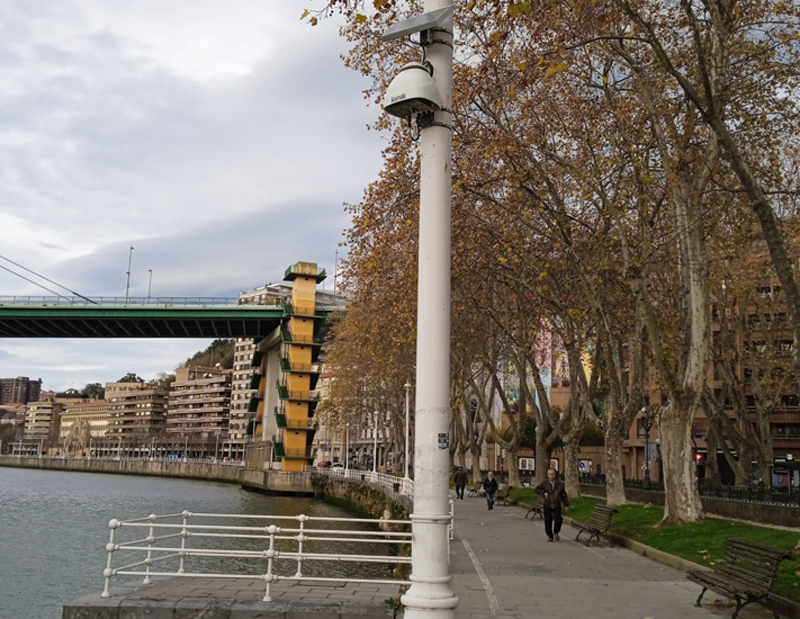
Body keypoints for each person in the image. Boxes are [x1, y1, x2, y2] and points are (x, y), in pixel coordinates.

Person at [534, 468, 569, 542]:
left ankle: (556, 531)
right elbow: (536, 489)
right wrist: (544, 493)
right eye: (550, 474)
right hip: (548, 504)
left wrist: (566, 504)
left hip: (556, 504)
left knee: (558, 519)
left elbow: (564, 495)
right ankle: (550, 536)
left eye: (552, 474)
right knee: (548, 521)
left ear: (555, 475)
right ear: (547, 475)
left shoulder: (560, 485)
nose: (551, 476)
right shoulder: (544, 484)